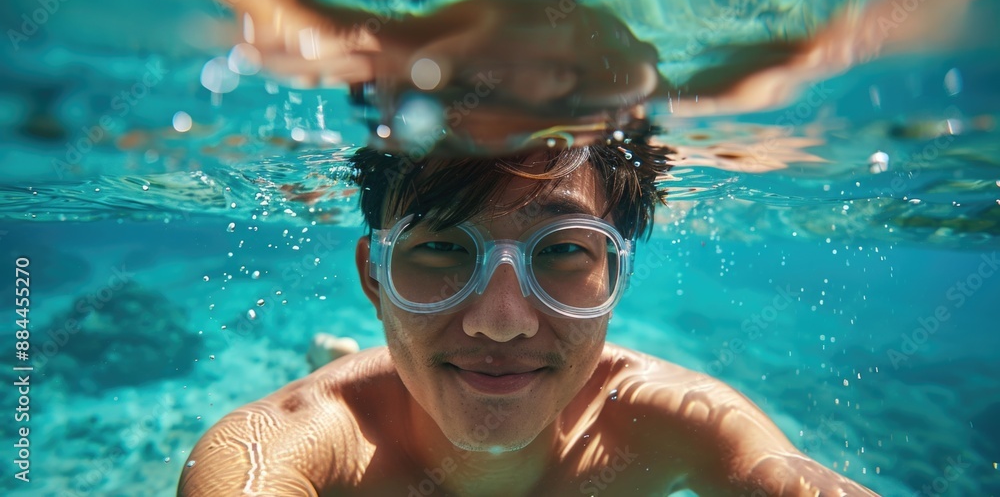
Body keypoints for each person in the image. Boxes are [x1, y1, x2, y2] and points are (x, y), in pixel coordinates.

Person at [177, 122, 878, 495]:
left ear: (616, 275)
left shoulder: (682, 424)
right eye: (442, 249)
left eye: (564, 252)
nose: (501, 320)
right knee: (350, 377)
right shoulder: (295, 446)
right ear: (375, 276)